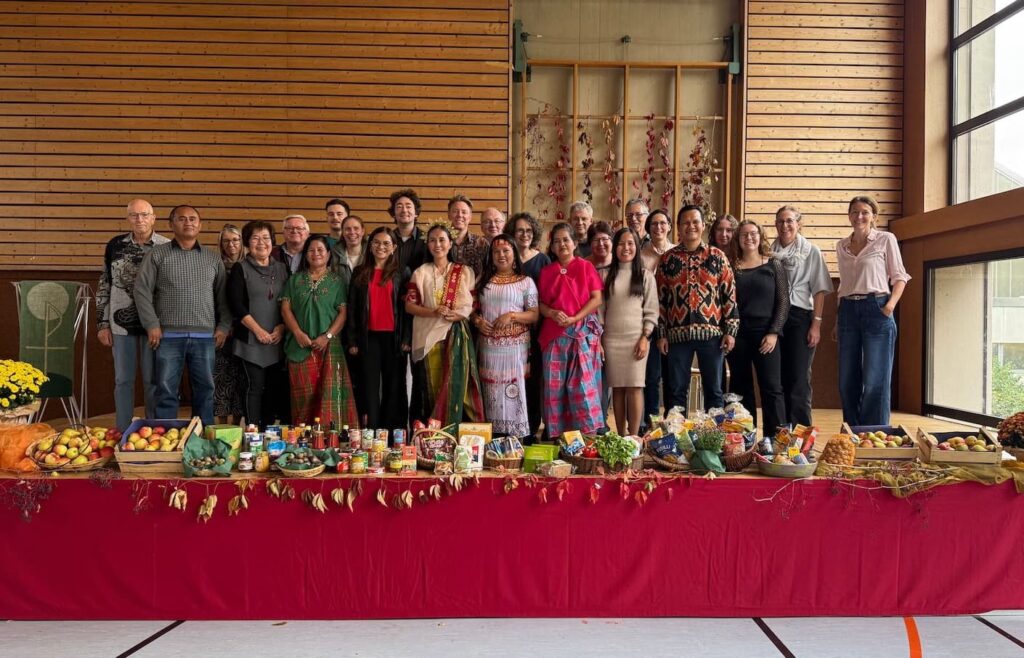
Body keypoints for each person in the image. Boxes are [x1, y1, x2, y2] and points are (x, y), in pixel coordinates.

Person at [134, 205, 231, 426]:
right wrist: (151, 325)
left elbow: (223, 298)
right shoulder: (157, 255)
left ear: (200, 224)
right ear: (171, 224)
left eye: (193, 219)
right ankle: (167, 436)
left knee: (205, 390)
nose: (188, 223)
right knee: (166, 390)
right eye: (181, 219)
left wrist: (223, 327)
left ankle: (203, 437)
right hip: (167, 336)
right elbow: (142, 291)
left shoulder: (212, 259)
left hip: (205, 338)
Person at [835, 195, 910, 426]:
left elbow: (900, 277)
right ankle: (853, 431)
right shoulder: (842, 246)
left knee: (875, 378)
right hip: (847, 310)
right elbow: (844, 285)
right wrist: (838, 320)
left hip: (876, 307)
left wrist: (889, 307)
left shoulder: (886, 239)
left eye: (865, 212)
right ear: (849, 216)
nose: (860, 216)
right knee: (847, 379)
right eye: (855, 212)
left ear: (874, 216)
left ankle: (874, 433)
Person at [655, 205, 738, 413]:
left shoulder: (717, 257)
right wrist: (661, 334)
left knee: (714, 391)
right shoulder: (667, 260)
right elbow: (660, 300)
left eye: (695, 222)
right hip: (676, 336)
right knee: (676, 392)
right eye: (686, 222)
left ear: (702, 226)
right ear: (678, 228)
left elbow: (729, 297)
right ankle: (675, 439)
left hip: (712, 336)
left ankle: (715, 439)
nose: (690, 226)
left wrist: (731, 331)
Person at [96, 198, 170, 431]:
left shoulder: (167, 247)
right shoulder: (115, 245)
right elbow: (104, 284)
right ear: (128, 218)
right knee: (123, 380)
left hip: (155, 325)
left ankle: (153, 432)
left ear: (154, 217)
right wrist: (102, 323)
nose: (140, 219)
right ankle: (122, 431)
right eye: (134, 215)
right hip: (120, 326)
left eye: (145, 214)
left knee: (153, 381)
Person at [405, 224, 484, 425]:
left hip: (456, 334)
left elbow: (473, 303)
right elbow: (410, 306)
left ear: (450, 244)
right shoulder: (421, 272)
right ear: (427, 244)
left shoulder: (464, 271)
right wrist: (433, 311)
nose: (437, 244)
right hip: (427, 335)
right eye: (432, 240)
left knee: (458, 384)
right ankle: (432, 432)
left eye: (442, 240)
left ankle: (459, 432)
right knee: (431, 385)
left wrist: (459, 315)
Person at [279, 234, 358, 427]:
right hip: (299, 346)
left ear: (329, 254)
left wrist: (328, 336)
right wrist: (297, 332)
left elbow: (343, 313)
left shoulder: (337, 281)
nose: (316, 254)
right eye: (311, 250)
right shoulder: (294, 280)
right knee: (303, 398)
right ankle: (302, 441)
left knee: (330, 396)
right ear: (305, 255)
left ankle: (332, 440)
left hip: (329, 347)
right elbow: (285, 309)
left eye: (320, 250)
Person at [538, 222, 605, 437]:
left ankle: (587, 437)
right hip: (555, 337)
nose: (562, 244)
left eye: (566, 239)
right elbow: (539, 304)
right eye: (556, 241)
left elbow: (596, 299)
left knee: (583, 387)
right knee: (555, 390)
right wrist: (551, 313)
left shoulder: (586, 267)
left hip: (582, 335)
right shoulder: (546, 272)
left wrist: (576, 317)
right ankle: (560, 439)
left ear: (575, 243)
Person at [772, 205, 833, 427]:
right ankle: (782, 432)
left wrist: (816, 325)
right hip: (777, 318)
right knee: (779, 378)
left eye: (789, 221)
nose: (784, 225)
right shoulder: (770, 251)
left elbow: (819, 289)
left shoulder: (811, 251)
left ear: (799, 224)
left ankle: (801, 434)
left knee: (798, 379)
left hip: (800, 317)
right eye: (780, 221)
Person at [472, 235, 539, 439]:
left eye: (506, 251)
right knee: (491, 389)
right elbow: (472, 309)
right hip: (489, 347)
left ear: (514, 254)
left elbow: (534, 314)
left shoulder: (526, 282)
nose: (501, 255)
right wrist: (477, 321)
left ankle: (517, 437)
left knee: (514, 389)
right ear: (491, 256)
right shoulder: (482, 281)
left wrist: (511, 316)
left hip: (516, 348)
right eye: (496, 252)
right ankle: (494, 436)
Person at [727, 220, 790, 435]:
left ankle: (775, 440)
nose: (749, 238)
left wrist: (773, 332)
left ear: (760, 236)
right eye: (744, 234)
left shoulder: (774, 264)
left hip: (767, 334)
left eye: (753, 233)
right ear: (738, 239)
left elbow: (783, 302)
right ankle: (744, 439)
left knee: (772, 388)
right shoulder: (731, 267)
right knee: (740, 389)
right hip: (739, 335)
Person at [347, 227, 412, 431]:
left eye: (386, 243)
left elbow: (407, 310)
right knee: (369, 387)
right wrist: (352, 340)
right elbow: (352, 308)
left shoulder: (403, 272)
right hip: (368, 338)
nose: (380, 247)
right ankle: (372, 432)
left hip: (395, 338)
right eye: (376, 242)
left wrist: (407, 338)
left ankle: (393, 434)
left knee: (395, 387)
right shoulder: (360, 272)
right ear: (370, 245)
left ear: (393, 247)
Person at [227, 220, 288, 430]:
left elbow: (288, 302)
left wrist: (281, 327)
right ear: (246, 243)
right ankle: (253, 431)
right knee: (254, 387)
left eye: (266, 238)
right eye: (255, 238)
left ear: (273, 242)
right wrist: (259, 331)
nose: (261, 243)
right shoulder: (240, 268)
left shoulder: (281, 268)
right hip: (251, 341)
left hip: (277, 339)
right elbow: (236, 305)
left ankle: (269, 430)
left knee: (273, 388)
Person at [602, 228, 658, 436]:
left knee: (635, 386)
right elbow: (599, 311)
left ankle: (634, 437)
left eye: (631, 243)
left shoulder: (645, 276)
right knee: (617, 387)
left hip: (637, 339)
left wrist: (645, 337)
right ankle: (621, 435)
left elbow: (652, 310)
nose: (626, 248)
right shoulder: (605, 275)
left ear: (637, 247)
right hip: (611, 340)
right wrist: (599, 340)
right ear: (615, 247)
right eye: (621, 244)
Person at [509, 211, 550, 439]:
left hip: (535, 329)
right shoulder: (507, 257)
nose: (524, 235)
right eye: (519, 230)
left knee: (533, 380)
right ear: (512, 234)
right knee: (512, 378)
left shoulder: (542, 260)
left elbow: (548, 295)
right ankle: (512, 426)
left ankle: (532, 427)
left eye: (528, 231)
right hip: (509, 332)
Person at [639, 208, 675, 429]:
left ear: (670, 226)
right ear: (648, 229)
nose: (659, 227)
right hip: (649, 322)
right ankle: (650, 424)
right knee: (651, 378)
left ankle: (673, 424)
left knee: (674, 379)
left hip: (674, 323)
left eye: (663, 223)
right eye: (654, 224)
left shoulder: (678, 252)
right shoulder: (641, 256)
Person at [214, 224, 246, 423]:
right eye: (226, 240)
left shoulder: (250, 265)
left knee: (241, 380)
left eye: (235, 240)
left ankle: (236, 425)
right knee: (220, 379)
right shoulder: (215, 265)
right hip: (220, 330)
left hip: (245, 329)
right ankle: (221, 425)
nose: (231, 244)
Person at [448, 194, 488, 276]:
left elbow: (489, 272)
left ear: (470, 217)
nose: (459, 215)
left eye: (464, 212)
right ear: (449, 215)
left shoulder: (481, 243)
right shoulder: (440, 242)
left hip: (475, 288)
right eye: (455, 211)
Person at [390, 188, 427, 272]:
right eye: (399, 206)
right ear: (393, 213)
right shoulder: (388, 238)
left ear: (416, 213)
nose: (404, 210)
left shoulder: (427, 239)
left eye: (408, 206)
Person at [330, 212, 365, 286]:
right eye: (348, 229)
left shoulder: (372, 254)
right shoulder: (332, 254)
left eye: (356, 228)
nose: (352, 232)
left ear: (362, 231)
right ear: (342, 232)